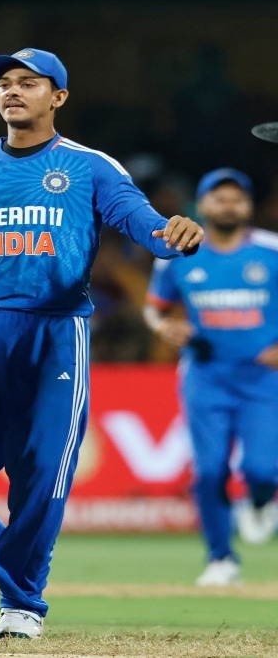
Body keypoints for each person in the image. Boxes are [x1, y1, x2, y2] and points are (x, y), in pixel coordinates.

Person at [0, 48, 204, 641]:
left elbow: (141, 221)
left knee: (42, 473)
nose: (12, 91)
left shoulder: (89, 166)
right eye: (5, 83)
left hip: (54, 330)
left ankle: (22, 602)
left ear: (59, 97)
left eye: (28, 83)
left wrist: (173, 236)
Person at [144, 168, 278, 584]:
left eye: (237, 198)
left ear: (249, 206)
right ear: (201, 205)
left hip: (263, 378)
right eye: (219, 198)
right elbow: (154, 308)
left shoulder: (271, 250)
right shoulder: (178, 254)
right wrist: (164, 328)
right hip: (206, 376)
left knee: (262, 469)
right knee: (209, 471)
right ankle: (221, 558)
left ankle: (260, 500)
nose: (228, 205)